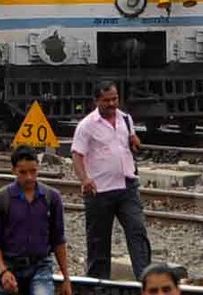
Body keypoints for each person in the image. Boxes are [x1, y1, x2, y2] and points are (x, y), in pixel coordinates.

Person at [71, 81, 151, 279]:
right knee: (99, 240)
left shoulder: (125, 119)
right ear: (96, 101)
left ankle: (146, 278)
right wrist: (84, 179)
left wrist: (135, 141)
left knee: (137, 231)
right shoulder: (87, 125)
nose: (112, 103)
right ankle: (98, 283)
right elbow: (77, 154)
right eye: (106, 100)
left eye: (114, 99)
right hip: (99, 191)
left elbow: (130, 141)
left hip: (127, 186)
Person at [0, 146, 71, 295]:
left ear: (38, 168)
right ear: (14, 171)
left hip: (40, 265)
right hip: (10, 265)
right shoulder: (1, 199)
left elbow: (58, 240)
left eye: (33, 171)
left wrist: (66, 278)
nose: (29, 177)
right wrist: (3, 271)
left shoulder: (51, 198)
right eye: (23, 173)